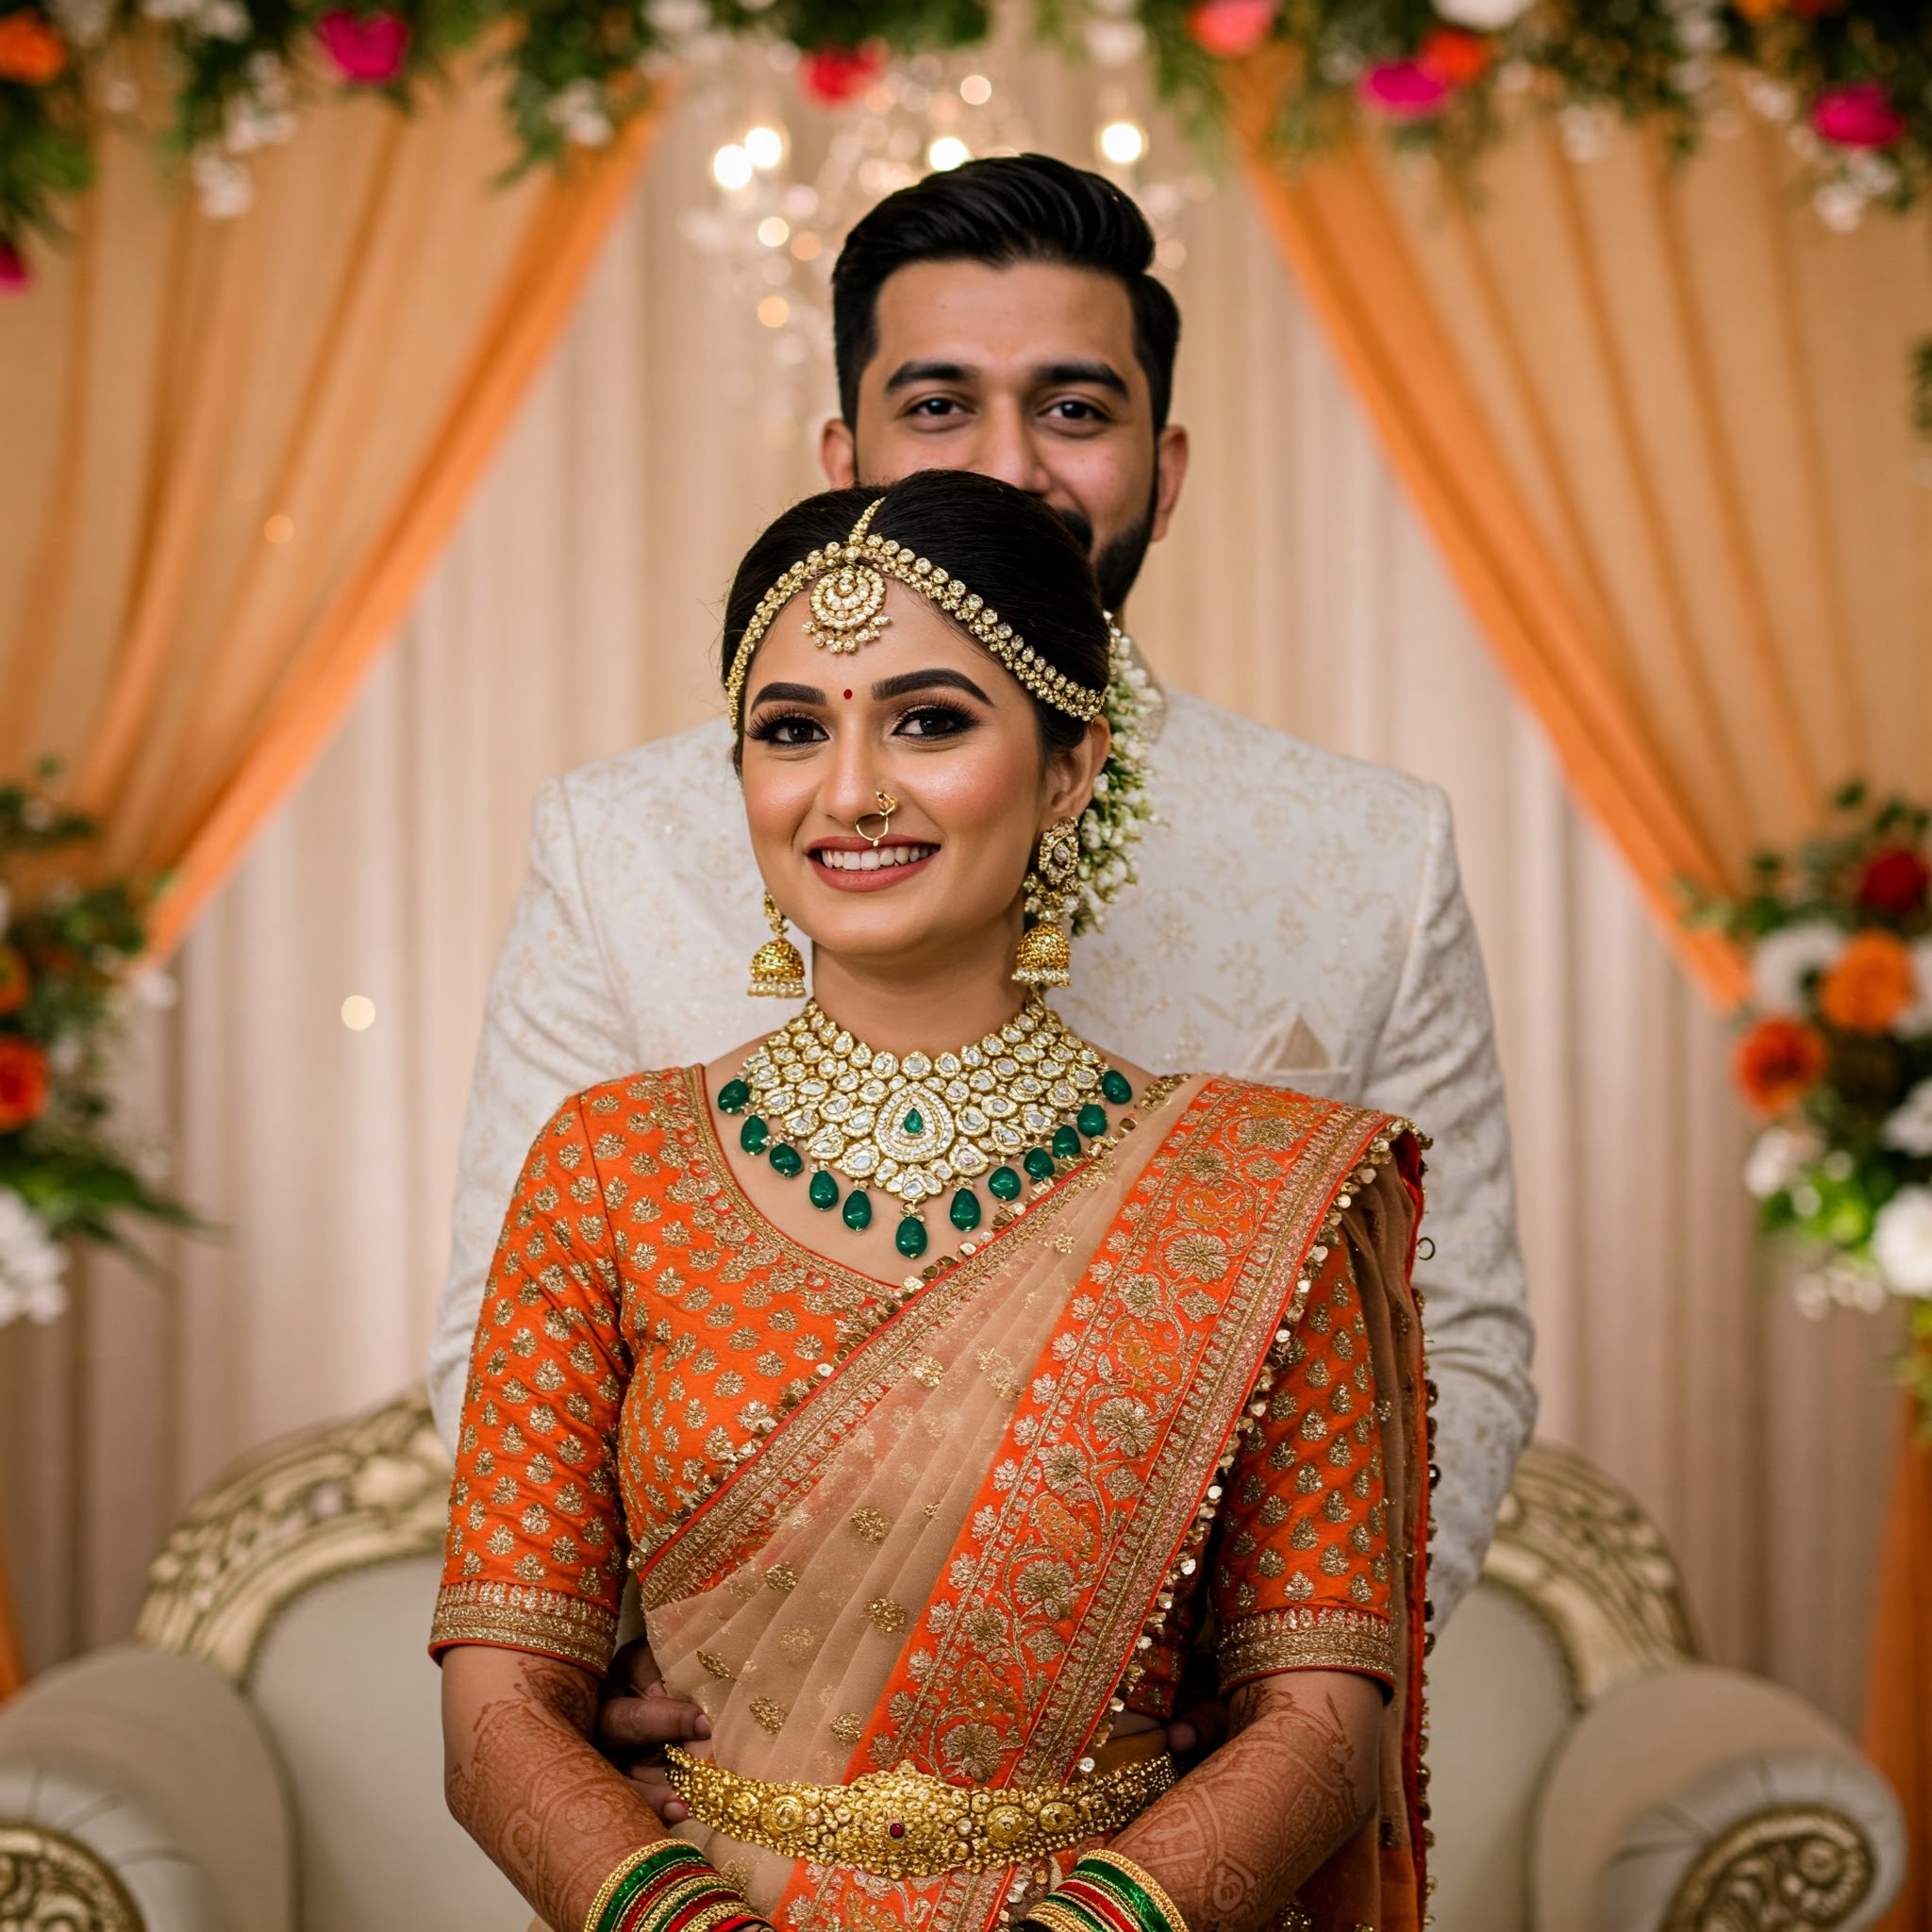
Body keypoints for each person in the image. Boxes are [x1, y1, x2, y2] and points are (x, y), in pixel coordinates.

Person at [425, 153, 1534, 1753]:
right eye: (939, 405)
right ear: (845, 456)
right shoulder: (623, 835)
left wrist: (1282, 1698)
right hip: (735, 1767)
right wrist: (621, 1670)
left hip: (1182, 1772)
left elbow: (1455, 1341)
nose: (1011, 465)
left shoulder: (1366, 849)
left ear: (1164, 467)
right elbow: (510, 1327)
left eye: (1073, 409)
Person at [434, 470, 1434, 1932]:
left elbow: (1324, 1724)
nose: (850, 791)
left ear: (1070, 770)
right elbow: (495, 1716)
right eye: (793, 730)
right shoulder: (607, 1169)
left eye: (929, 721)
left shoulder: (1255, 1189)